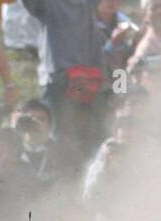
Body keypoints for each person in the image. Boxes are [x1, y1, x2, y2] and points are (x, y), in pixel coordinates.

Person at [19, 0, 106, 165]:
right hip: (59, 83)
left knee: (93, 138)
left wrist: (118, 92)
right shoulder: (51, 5)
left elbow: (118, 67)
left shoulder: (94, 11)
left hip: (91, 85)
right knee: (58, 139)